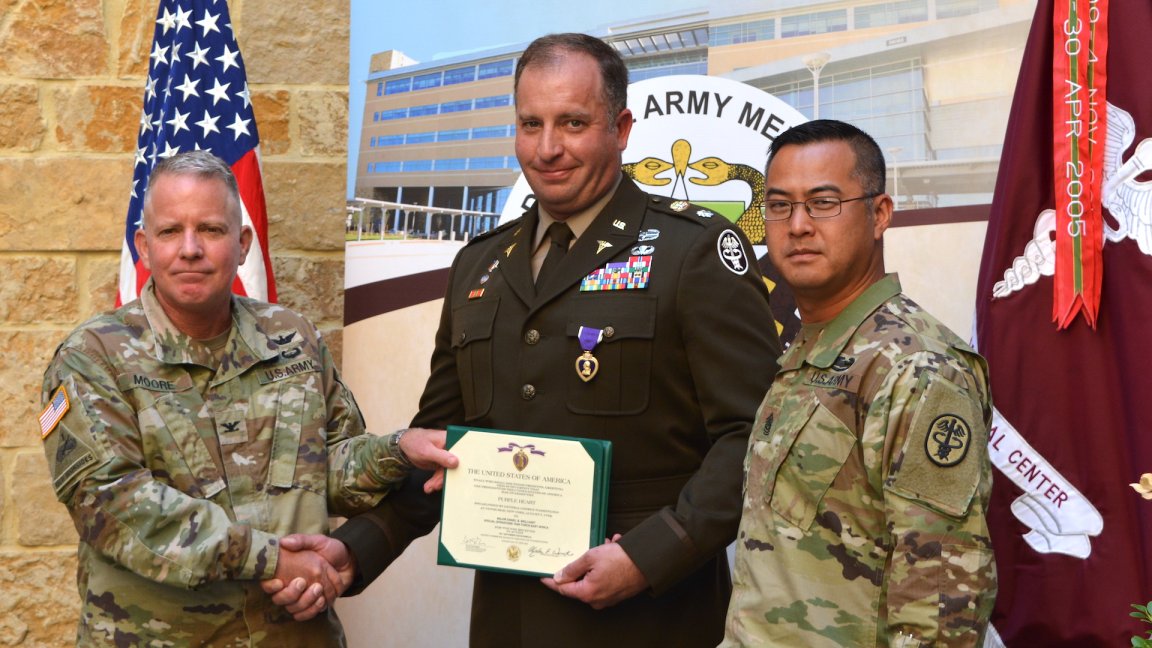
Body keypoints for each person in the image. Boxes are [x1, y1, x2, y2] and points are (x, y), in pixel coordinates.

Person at [267, 32, 781, 646]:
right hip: (507, 620)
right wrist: (356, 549)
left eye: (573, 123)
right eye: (530, 124)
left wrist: (649, 555)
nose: (547, 148)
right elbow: (444, 446)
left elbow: (755, 437)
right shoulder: (478, 265)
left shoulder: (690, 251)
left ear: (620, 129)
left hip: (649, 620)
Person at [38, 151, 453, 646]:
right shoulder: (91, 356)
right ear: (144, 247)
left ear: (242, 245)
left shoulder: (292, 337)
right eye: (170, 231)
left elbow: (330, 469)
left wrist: (398, 450)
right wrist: (273, 559)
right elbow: (113, 503)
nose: (190, 249)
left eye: (211, 229)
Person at [721, 119, 997, 647]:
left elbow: (940, 605)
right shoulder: (812, 351)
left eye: (823, 203)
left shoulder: (915, 368)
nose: (797, 225)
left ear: (880, 214)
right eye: (779, 205)